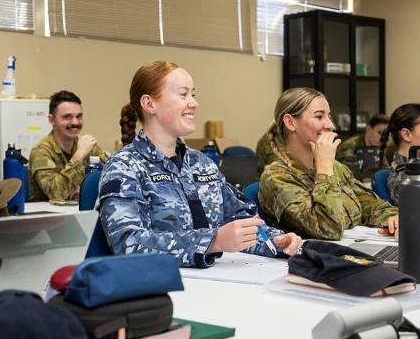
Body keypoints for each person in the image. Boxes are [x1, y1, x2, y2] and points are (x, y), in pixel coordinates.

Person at [98, 61, 302, 268]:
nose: (194, 103)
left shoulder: (201, 163)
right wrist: (214, 242)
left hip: (218, 281)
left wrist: (276, 241)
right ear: (149, 104)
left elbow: (240, 220)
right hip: (165, 285)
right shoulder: (124, 166)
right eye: (183, 94)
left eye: (193, 95)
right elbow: (128, 243)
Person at [259, 87, 398, 240]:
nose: (330, 124)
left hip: (352, 248)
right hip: (313, 259)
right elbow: (329, 228)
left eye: (329, 116)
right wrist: (324, 168)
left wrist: (392, 218)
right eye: (319, 117)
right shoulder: (276, 177)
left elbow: (373, 205)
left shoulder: (336, 167)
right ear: (290, 122)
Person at [28, 90, 108, 202]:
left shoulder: (87, 146)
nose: (75, 122)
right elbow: (56, 193)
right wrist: (79, 155)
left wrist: (87, 190)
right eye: (67, 117)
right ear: (51, 120)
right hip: (47, 217)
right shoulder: (41, 151)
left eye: (79, 116)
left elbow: (113, 175)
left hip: (81, 213)